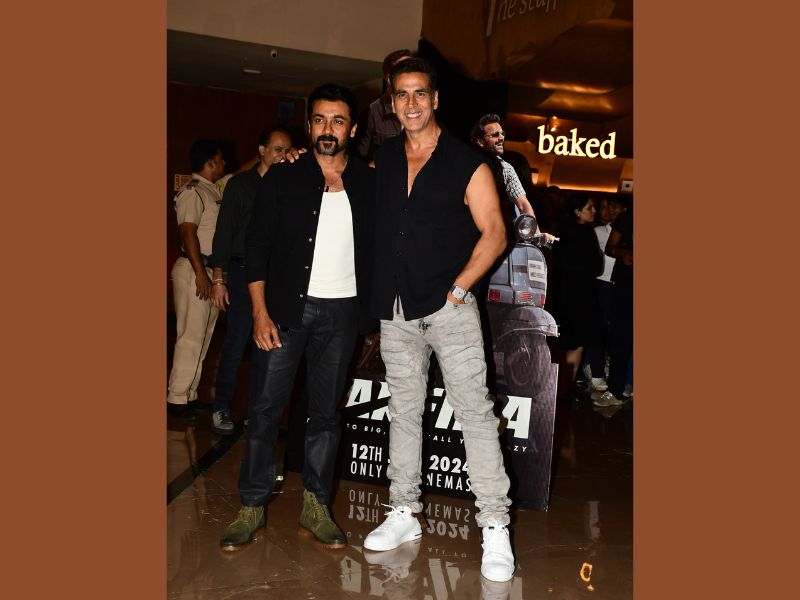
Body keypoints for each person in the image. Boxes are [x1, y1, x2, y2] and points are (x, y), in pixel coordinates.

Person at [364, 58, 516, 583]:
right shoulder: (385, 157)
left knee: (474, 414)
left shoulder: (467, 162)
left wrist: (460, 286)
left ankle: (494, 524)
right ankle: (404, 510)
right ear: (392, 102)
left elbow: (496, 232)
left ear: (435, 99)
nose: (410, 104)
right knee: (404, 412)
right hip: (397, 309)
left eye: (419, 94)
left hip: (450, 308)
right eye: (401, 95)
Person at [219, 83, 375, 552]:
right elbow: (256, 246)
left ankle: (316, 505)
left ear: (353, 128)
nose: (329, 129)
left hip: (343, 314)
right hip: (286, 311)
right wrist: (260, 312)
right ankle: (251, 505)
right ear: (309, 125)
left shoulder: (369, 181)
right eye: (320, 120)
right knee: (265, 409)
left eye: (338, 121)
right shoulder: (284, 176)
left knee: (326, 415)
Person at [208, 127, 293, 435]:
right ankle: (221, 407)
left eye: (286, 150)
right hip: (242, 272)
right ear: (261, 150)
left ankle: (255, 415)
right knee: (237, 341)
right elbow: (224, 232)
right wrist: (219, 278)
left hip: (273, 276)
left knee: (266, 346)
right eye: (277, 149)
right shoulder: (240, 185)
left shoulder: (288, 186)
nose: (282, 155)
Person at [167, 139, 226, 422]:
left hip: (209, 272)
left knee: (202, 337)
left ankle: (189, 395)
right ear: (210, 162)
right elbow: (188, 233)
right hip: (195, 270)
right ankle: (176, 399)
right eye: (221, 158)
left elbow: (240, 173)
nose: (225, 163)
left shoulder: (212, 188)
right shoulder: (193, 192)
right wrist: (201, 273)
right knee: (190, 337)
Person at [553, 193, 605, 399]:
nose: (594, 211)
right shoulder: (585, 233)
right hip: (581, 293)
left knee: (565, 341)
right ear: (577, 211)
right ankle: (565, 389)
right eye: (589, 207)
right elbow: (597, 267)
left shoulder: (560, 231)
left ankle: (558, 387)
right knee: (578, 340)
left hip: (562, 291)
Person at [582, 197, 625, 392]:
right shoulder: (596, 231)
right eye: (606, 207)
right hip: (601, 283)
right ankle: (594, 368)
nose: (609, 211)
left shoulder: (625, 232)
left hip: (619, 284)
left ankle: (603, 367)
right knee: (598, 327)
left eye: (614, 207)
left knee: (615, 330)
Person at [595, 197, 633, 406]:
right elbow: (610, 248)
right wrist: (623, 253)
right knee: (620, 338)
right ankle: (616, 390)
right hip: (626, 286)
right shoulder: (628, 218)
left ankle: (627, 385)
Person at [355, 49, 414, 163]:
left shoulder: (422, 106)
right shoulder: (372, 112)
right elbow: (359, 158)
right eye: (404, 70)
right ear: (389, 78)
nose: (410, 75)